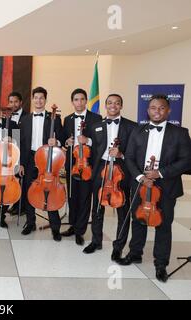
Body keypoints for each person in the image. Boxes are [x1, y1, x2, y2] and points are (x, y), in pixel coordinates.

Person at [117, 94, 191, 283]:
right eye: (153, 108)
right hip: (141, 184)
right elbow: (130, 157)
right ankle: (135, 253)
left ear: (168, 110)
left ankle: (161, 264)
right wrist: (141, 177)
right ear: (147, 110)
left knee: (163, 225)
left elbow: (186, 160)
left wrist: (160, 173)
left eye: (161, 108)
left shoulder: (180, 132)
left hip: (167, 185)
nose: (156, 111)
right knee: (139, 219)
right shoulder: (137, 130)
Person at [83, 94, 137, 260]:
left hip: (121, 171)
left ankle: (118, 246)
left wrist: (121, 154)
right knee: (97, 207)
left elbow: (136, 151)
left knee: (122, 209)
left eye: (117, 103)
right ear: (105, 105)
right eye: (110, 103)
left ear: (121, 106)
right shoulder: (96, 125)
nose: (113, 105)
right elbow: (93, 150)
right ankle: (96, 241)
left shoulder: (132, 126)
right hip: (101, 169)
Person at [18, 87, 64, 239]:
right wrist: (21, 163)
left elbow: (62, 138)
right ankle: (30, 223)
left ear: (45, 100)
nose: (38, 100)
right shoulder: (24, 120)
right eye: (36, 97)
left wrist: (56, 141)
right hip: (30, 158)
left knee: (50, 190)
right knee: (29, 191)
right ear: (32, 99)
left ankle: (55, 227)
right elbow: (21, 143)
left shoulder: (55, 118)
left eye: (41, 98)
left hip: (47, 158)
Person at [61, 88, 102, 245]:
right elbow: (65, 139)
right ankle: (73, 225)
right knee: (72, 196)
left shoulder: (96, 118)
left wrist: (88, 141)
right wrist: (67, 142)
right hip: (72, 164)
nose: (79, 102)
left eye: (82, 99)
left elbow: (100, 141)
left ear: (86, 101)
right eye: (76, 99)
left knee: (85, 198)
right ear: (72, 102)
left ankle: (80, 230)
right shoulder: (68, 119)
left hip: (87, 166)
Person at [7, 91, 29, 216]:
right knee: (13, 180)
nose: (13, 104)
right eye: (11, 102)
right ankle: (15, 204)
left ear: (21, 102)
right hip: (11, 153)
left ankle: (22, 206)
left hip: (23, 152)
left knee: (22, 181)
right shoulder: (7, 116)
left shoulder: (27, 116)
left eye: (16, 101)